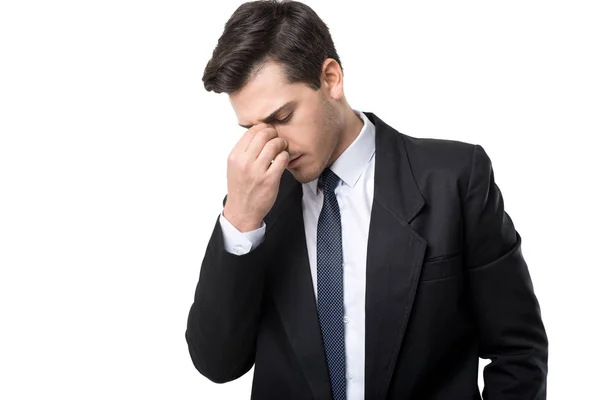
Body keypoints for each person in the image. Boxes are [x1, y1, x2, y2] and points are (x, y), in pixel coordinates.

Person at [185, 1, 549, 399]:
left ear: (331, 78)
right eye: (251, 128)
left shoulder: (455, 178)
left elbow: (518, 351)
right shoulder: (253, 204)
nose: (273, 146)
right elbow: (219, 364)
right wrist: (240, 219)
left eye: (283, 117)